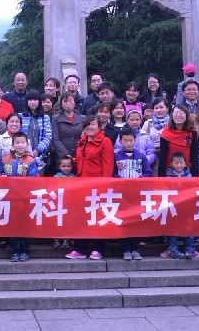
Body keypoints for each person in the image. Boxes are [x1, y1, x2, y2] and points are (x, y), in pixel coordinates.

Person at [65, 116, 114, 261]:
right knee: (81, 217)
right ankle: (79, 248)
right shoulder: (82, 141)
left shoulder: (105, 142)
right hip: (82, 186)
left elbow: (108, 166)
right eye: (87, 124)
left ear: (100, 127)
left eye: (93, 124)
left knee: (98, 217)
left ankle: (98, 248)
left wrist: (105, 186)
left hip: (98, 186)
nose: (89, 127)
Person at [114, 128, 151, 260]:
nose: (128, 143)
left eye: (131, 140)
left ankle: (135, 249)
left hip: (137, 194)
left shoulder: (141, 156)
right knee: (124, 220)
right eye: (125, 141)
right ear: (120, 141)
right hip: (122, 194)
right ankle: (125, 249)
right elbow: (113, 173)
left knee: (136, 221)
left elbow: (148, 172)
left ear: (135, 140)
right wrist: (119, 180)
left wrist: (140, 179)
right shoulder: (116, 156)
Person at [0, 132, 38, 262]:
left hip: (25, 198)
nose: (20, 145)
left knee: (25, 225)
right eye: (17, 142)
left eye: (22, 142)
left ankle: (25, 251)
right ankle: (15, 251)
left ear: (27, 144)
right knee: (13, 225)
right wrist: (2, 177)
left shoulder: (31, 160)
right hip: (10, 198)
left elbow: (33, 179)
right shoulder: (5, 159)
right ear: (12, 145)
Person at [164, 152, 196, 259]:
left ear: (185, 164)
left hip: (186, 206)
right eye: (176, 163)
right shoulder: (167, 177)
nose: (178, 165)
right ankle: (173, 249)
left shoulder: (189, 176)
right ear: (171, 164)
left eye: (181, 163)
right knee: (172, 228)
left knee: (188, 227)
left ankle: (190, 249)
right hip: (172, 206)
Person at [159, 104, 199, 177]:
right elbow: (162, 157)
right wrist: (161, 177)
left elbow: (194, 156)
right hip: (169, 173)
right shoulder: (165, 133)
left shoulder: (192, 133)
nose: (178, 115)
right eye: (176, 113)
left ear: (186, 115)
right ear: (172, 115)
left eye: (181, 113)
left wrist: (195, 175)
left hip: (187, 173)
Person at [51, 91, 86, 175]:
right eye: (65, 101)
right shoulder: (56, 119)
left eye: (70, 101)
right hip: (62, 159)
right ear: (61, 103)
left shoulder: (83, 118)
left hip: (80, 156)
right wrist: (66, 155)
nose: (68, 103)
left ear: (75, 102)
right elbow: (55, 139)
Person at [20, 90, 52, 171]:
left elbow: (48, 137)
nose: (32, 102)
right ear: (26, 102)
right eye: (30, 100)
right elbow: (17, 135)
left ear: (39, 102)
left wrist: (37, 150)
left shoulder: (45, 118)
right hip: (23, 153)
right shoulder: (20, 116)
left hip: (40, 156)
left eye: (35, 100)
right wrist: (25, 150)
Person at [141, 97, 170, 168]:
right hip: (153, 158)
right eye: (156, 108)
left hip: (169, 156)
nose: (159, 110)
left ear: (167, 108)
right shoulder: (148, 123)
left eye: (161, 107)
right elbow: (143, 141)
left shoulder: (171, 123)